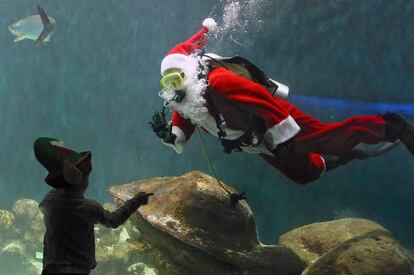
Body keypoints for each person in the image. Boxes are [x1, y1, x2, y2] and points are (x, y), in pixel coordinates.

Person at [151, 18, 414, 185]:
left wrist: (284, 137)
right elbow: (184, 122)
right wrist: (171, 136)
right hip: (255, 141)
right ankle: (350, 154)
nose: (173, 86)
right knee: (303, 174)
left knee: (327, 139)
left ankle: (392, 126)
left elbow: (263, 101)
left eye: (176, 77)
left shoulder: (219, 81)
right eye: (167, 81)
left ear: (188, 71)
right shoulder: (186, 101)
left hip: (276, 121)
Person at [34, 137, 153, 275]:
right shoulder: (88, 208)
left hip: (50, 270)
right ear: (78, 180)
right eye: (87, 177)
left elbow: (55, 196)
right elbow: (113, 220)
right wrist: (136, 201)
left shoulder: (49, 202)